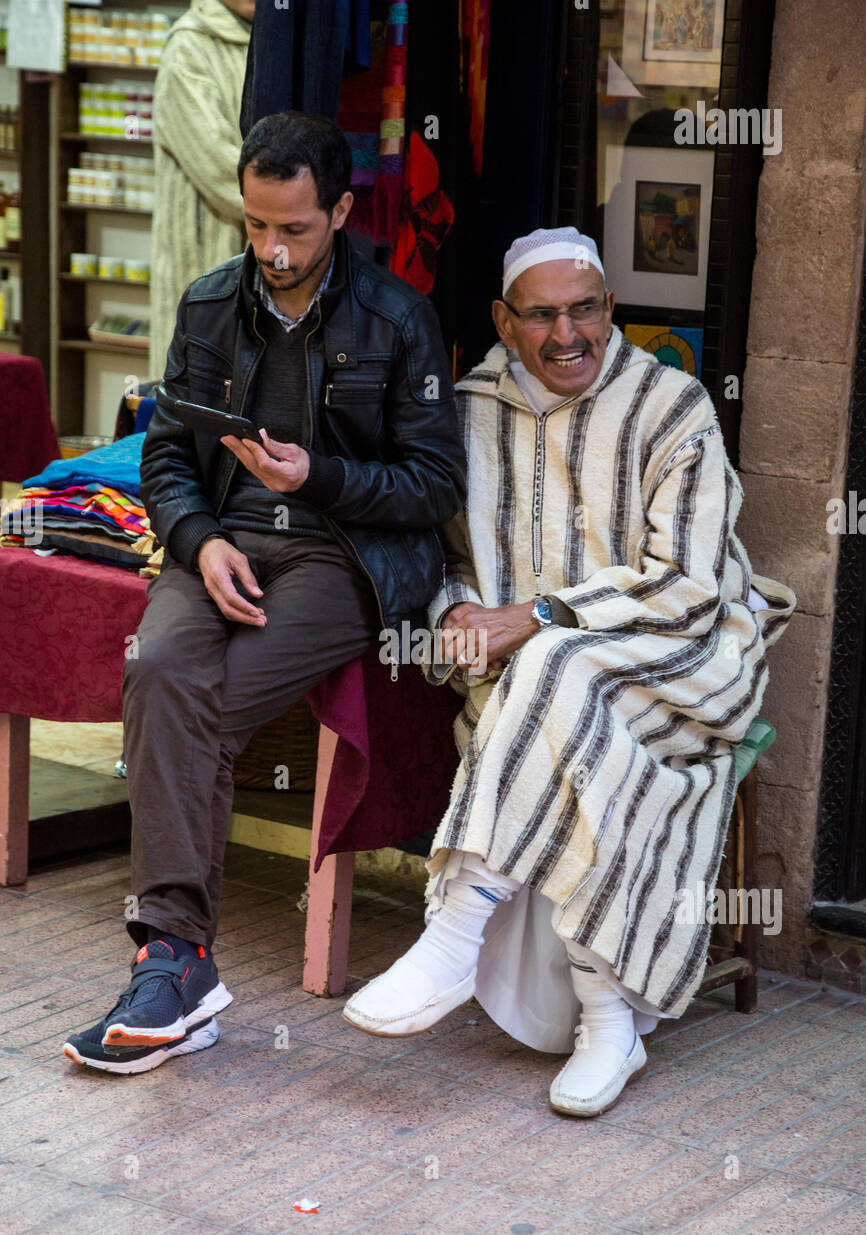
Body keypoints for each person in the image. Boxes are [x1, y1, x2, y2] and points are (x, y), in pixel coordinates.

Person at [342, 226, 796, 1118]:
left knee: (558, 661)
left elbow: (689, 586)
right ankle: (608, 1026)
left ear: (610, 309)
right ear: (505, 323)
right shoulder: (467, 409)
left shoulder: (674, 405)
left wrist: (538, 617)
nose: (567, 334)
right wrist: (458, 619)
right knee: (568, 694)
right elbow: (442, 561)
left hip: (689, 660)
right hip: (543, 684)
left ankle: (454, 933)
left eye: (584, 309)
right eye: (542, 315)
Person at [64, 112, 466, 1074]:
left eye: (294, 228)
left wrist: (314, 479)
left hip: (342, 557)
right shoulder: (209, 304)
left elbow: (436, 487)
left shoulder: (399, 316)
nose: (272, 250)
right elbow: (167, 457)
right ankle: (177, 964)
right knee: (159, 666)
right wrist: (198, 541)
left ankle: (173, 966)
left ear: (340, 210)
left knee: (185, 707)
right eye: (255, 227)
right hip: (222, 548)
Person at [149, 0, 254, 381]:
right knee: (196, 399)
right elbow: (219, 167)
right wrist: (297, 209)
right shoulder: (188, 48)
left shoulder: (279, 41)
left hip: (265, 261)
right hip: (206, 256)